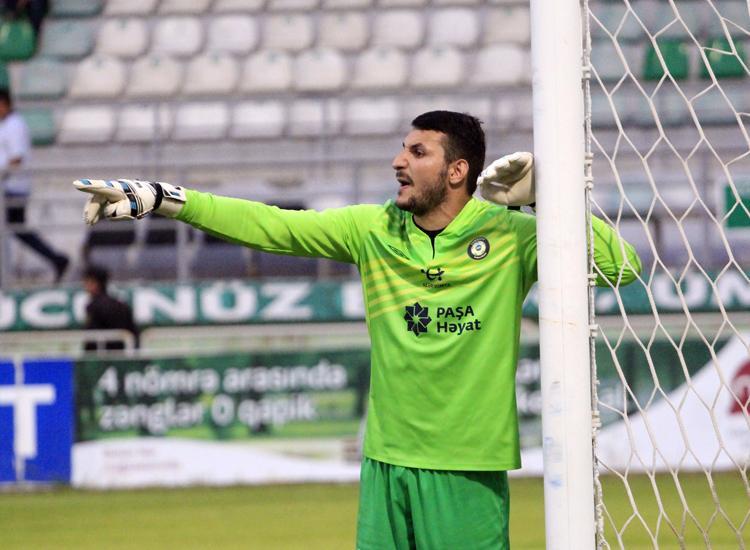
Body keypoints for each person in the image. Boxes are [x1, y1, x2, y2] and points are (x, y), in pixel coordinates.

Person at [72, 111, 642, 549]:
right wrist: (167, 199)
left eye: (417, 152)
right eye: (402, 148)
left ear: (457, 170)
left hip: (467, 466)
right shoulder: (374, 228)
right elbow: (271, 226)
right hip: (385, 462)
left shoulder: (511, 235)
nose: (398, 161)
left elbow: (621, 268)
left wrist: (550, 201)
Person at [0, 88, 68, 282]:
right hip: (8, 186)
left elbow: (16, 158)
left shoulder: (15, 125)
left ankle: (56, 259)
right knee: (17, 228)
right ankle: (56, 259)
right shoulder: (6, 125)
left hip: (13, 186)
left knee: (16, 227)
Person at [82, 264, 139, 352]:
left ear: (94, 283)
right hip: (124, 355)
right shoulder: (122, 305)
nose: (85, 286)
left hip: (103, 357)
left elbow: (91, 339)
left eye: (86, 282)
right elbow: (134, 335)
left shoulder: (93, 307)